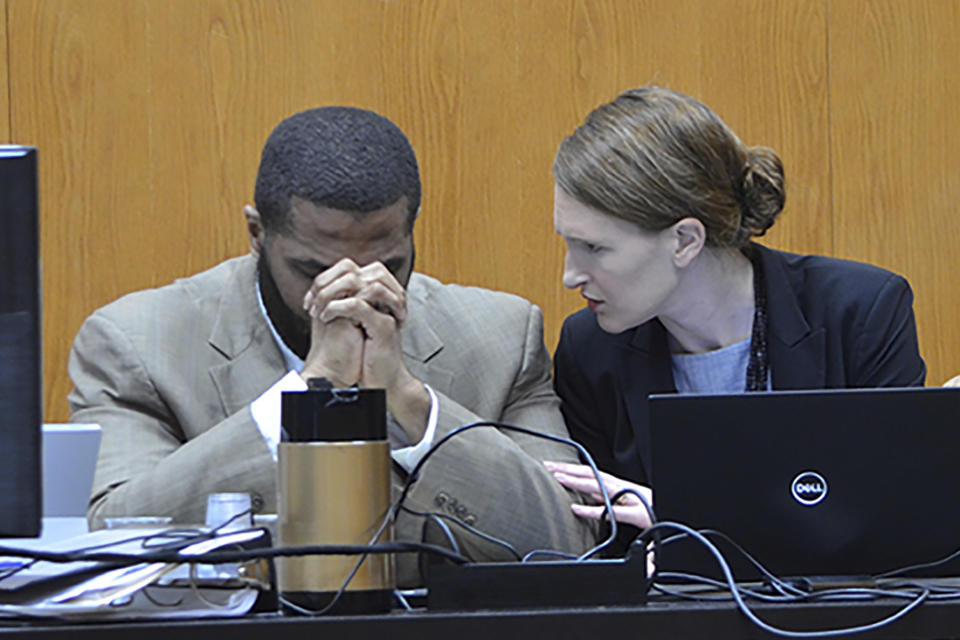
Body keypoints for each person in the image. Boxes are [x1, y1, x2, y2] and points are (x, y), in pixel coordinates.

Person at [68, 106, 595, 585]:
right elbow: (113, 540)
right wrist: (305, 392)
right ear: (257, 234)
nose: (350, 294)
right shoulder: (139, 342)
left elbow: (575, 546)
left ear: (412, 235)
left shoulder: (498, 338)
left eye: (387, 267)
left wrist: (413, 403)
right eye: (313, 270)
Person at [544, 85, 925, 537]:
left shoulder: (859, 312)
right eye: (568, 243)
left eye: (594, 247)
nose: (571, 275)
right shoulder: (590, 348)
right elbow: (600, 544)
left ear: (685, 240)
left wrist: (688, 519)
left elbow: (895, 523)